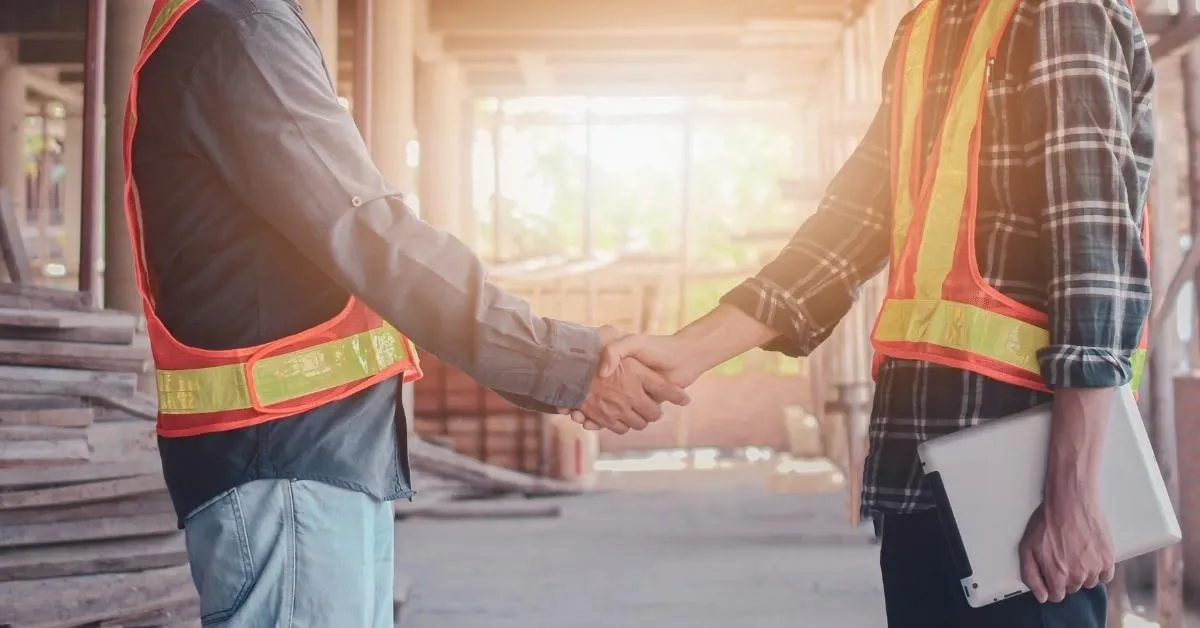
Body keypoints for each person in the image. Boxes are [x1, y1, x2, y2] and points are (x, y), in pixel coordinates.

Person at [124, 0, 686, 625]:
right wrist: (562, 362)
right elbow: (373, 236)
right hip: (285, 461)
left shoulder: (232, 26)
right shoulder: (242, 32)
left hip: (301, 456)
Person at [597, 0, 1154, 626]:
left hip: (1023, 481)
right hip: (917, 467)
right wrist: (686, 351)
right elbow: (848, 228)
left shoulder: (1060, 12)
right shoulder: (927, 28)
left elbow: (1094, 256)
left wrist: (1074, 494)